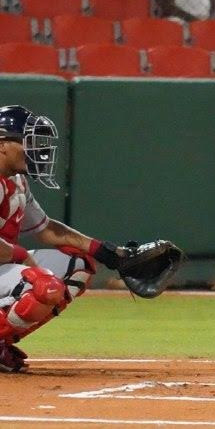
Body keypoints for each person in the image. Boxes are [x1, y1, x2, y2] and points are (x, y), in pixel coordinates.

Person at [0, 105, 156, 372]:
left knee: (78, 265)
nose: (35, 149)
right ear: (3, 144)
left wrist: (104, 251)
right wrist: (24, 258)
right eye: (27, 141)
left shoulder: (17, 182)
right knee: (44, 285)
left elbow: (46, 228)